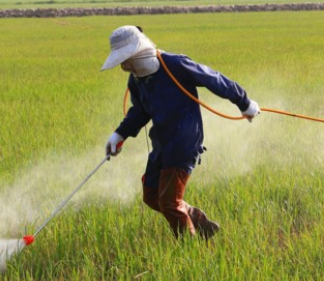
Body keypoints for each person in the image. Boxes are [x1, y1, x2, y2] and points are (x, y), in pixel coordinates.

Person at [101, 25, 260, 240]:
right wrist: (119, 134)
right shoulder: (137, 80)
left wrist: (244, 102)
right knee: (151, 196)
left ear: (137, 52)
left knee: (169, 203)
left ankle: (189, 247)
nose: (124, 66)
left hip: (184, 143)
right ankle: (197, 220)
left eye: (126, 60)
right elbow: (140, 111)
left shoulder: (175, 65)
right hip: (161, 143)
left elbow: (214, 79)